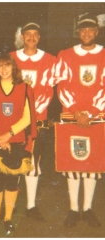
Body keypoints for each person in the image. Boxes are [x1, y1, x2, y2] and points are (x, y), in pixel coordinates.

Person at [0, 53, 37, 236]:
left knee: (11, 183)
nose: (4, 69)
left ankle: (8, 218)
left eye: (7, 65)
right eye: (0, 66)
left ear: (14, 68)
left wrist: (9, 135)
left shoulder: (25, 88)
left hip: (16, 141)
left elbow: (28, 117)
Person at [54, 13, 105, 227]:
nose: (86, 33)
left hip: (97, 117)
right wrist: (76, 111)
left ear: (97, 31)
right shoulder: (65, 55)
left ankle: (88, 209)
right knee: (73, 163)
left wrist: (91, 112)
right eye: (82, 29)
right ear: (78, 32)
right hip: (70, 117)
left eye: (90, 29)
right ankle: (74, 209)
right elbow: (61, 85)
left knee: (92, 164)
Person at [10, 21, 56, 221]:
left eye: (35, 34)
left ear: (39, 37)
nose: (31, 38)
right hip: (13, 121)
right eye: (27, 34)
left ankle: (31, 206)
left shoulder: (50, 60)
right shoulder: (11, 58)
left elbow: (49, 90)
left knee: (33, 163)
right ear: (22, 37)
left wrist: (32, 115)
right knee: (12, 161)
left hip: (37, 120)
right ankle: (10, 204)